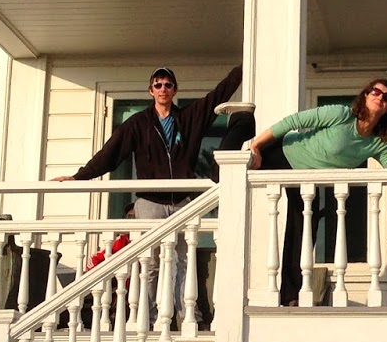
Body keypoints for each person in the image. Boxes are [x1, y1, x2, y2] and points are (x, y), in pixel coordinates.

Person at [57, 65, 248, 326]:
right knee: (150, 264)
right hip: (150, 203)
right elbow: (110, 154)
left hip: (181, 203)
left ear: (175, 90)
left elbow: (218, 94)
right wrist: (79, 176)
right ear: (151, 91)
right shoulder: (138, 124)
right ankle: (145, 319)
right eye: (158, 85)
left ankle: (189, 318)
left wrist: (243, 69)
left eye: (168, 85)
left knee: (184, 260)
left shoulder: (188, 118)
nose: (163, 89)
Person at [244, 79, 387, 306]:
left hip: (308, 182)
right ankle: (239, 120)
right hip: (281, 154)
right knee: (226, 172)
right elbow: (292, 122)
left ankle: (290, 296)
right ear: (365, 95)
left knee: (305, 230)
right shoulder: (341, 115)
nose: (380, 97)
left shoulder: (377, 142)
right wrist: (256, 146)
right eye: (375, 91)